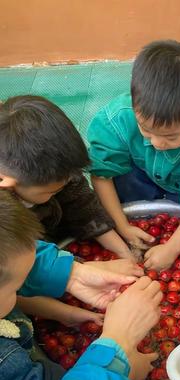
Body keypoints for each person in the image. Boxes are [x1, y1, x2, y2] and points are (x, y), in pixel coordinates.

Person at [0, 191, 154, 380]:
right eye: (17, 287)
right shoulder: (7, 368)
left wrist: (72, 275)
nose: (19, 294)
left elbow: (13, 259)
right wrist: (117, 354)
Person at [88, 40, 180, 272]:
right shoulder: (117, 120)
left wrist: (173, 248)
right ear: (135, 107)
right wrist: (122, 226)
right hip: (140, 173)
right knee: (119, 177)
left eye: (171, 137)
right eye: (145, 130)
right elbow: (101, 175)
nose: (156, 143)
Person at [0, 95, 134, 261]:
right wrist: (80, 269)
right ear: (5, 183)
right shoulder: (5, 221)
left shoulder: (52, 167)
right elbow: (28, 262)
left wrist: (122, 251)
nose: (65, 186)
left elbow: (80, 201)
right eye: (53, 191)